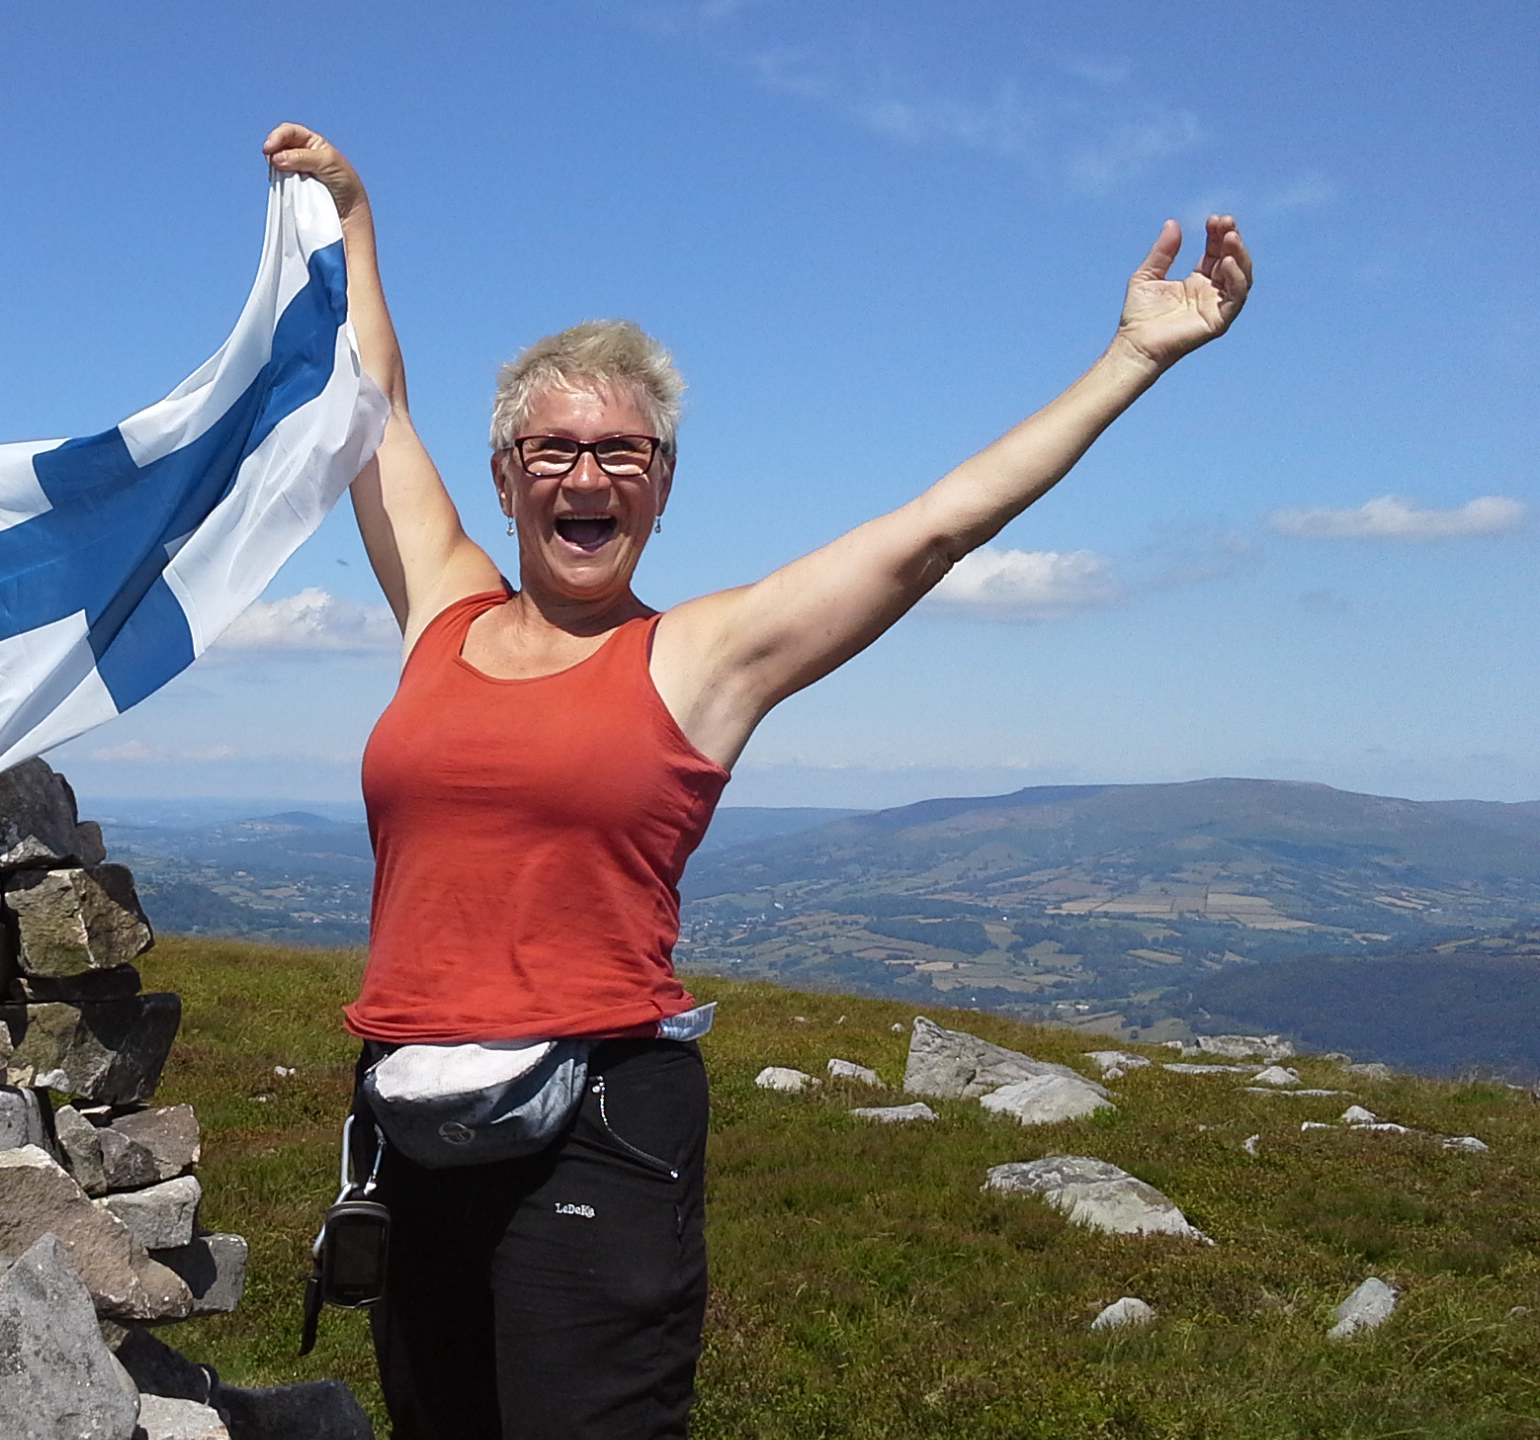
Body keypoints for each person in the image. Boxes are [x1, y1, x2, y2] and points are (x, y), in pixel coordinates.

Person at [259, 122, 1252, 1440]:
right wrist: (353, 221)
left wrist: (1132, 357)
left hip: (598, 1116)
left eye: (624, 452)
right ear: (505, 477)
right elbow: (369, 401)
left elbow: (933, 531)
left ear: (663, 485)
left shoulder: (700, 657)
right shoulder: (441, 607)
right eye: (553, 450)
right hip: (410, 1111)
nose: (587, 475)